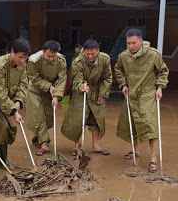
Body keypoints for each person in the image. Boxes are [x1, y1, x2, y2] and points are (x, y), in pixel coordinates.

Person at [115, 28, 169, 172]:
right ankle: (135, 150)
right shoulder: (123, 56)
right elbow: (118, 69)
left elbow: (163, 71)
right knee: (132, 123)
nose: (131, 46)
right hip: (131, 93)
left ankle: (153, 158)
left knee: (150, 125)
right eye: (128, 43)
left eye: (134, 43)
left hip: (147, 94)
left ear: (141, 41)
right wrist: (123, 84)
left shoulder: (153, 54)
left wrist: (160, 87)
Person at [0, 38, 30, 168]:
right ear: (12, 52)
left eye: (25, 58)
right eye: (20, 57)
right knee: (2, 127)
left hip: (8, 102)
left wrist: (18, 101)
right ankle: (3, 160)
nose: (22, 61)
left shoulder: (23, 65)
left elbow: (24, 85)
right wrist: (14, 111)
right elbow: (0, 92)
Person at [61, 39, 112, 155]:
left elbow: (107, 78)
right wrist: (81, 87)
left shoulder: (105, 59)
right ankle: (76, 146)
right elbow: (77, 79)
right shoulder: (77, 62)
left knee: (96, 119)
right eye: (87, 54)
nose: (90, 56)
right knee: (78, 118)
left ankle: (95, 146)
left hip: (98, 90)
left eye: (93, 54)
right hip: (81, 91)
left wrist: (102, 94)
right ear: (83, 51)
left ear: (98, 51)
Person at [25, 40, 67, 155]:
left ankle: (36, 137)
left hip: (51, 92)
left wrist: (57, 96)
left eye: (54, 56)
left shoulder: (61, 61)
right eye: (48, 56)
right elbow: (33, 78)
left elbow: (62, 79)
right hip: (35, 90)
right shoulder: (33, 61)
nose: (51, 59)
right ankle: (45, 144)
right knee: (38, 115)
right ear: (43, 52)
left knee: (48, 118)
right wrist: (48, 86)